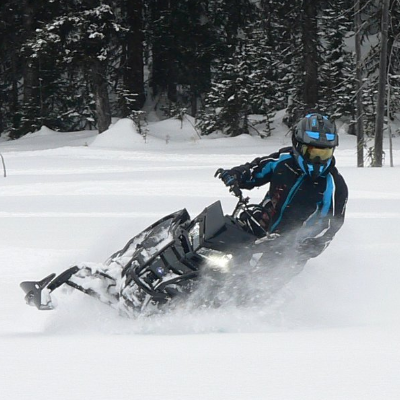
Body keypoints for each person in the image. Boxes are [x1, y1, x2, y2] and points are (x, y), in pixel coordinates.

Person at [216, 112, 348, 263]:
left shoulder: (335, 186)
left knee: (257, 283)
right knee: (219, 240)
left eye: (324, 153)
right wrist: (237, 175)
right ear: (298, 145)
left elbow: (330, 225)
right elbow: (257, 169)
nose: (318, 160)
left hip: (288, 249)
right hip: (258, 224)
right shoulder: (284, 159)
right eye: (312, 152)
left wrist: (309, 245)